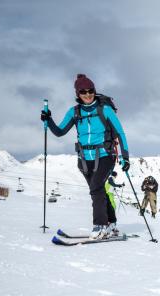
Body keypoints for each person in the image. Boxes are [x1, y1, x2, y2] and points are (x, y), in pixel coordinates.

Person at [41, 74, 130, 239]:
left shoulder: (105, 110)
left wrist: (125, 157)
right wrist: (49, 119)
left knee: (96, 188)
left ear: (94, 91)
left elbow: (121, 133)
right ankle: (111, 223)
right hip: (84, 158)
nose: (88, 94)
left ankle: (100, 225)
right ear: (78, 94)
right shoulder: (74, 112)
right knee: (98, 190)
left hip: (105, 155)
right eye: (83, 92)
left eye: (90, 91)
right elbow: (60, 132)